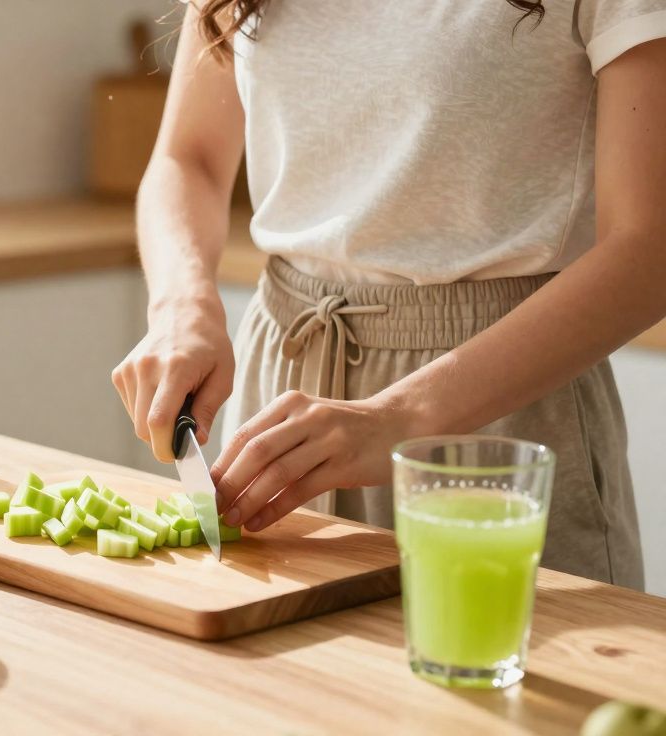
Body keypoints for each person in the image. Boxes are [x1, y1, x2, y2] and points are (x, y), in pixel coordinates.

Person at [112, 0, 666, 588]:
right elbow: (188, 157)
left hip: (496, 418)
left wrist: (399, 417)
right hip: (281, 391)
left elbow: (650, 248)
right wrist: (182, 305)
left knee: (499, 672)